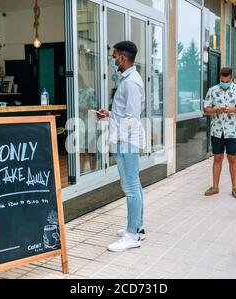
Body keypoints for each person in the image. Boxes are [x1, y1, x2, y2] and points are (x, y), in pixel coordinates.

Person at [97, 41, 146, 252]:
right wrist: (110, 115)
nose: (112, 59)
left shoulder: (131, 82)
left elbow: (132, 117)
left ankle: (132, 235)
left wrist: (118, 137)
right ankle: (138, 227)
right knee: (134, 185)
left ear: (123, 58)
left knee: (131, 187)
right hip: (124, 138)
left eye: (114, 56)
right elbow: (124, 112)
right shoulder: (127, 79)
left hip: (125, 141)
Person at [203, 67, 236, 199]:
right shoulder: (212, 90)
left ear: (231, 78)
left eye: (227, 81)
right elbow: (206, 109)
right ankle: (215, 187)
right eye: (222, 80)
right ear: (219, 78)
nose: (225, 82)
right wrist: (215, 110)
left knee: (232, 158)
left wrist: (232, 110)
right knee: (217, 158)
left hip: (232, 130)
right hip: (217, 130)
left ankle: (235, 188)